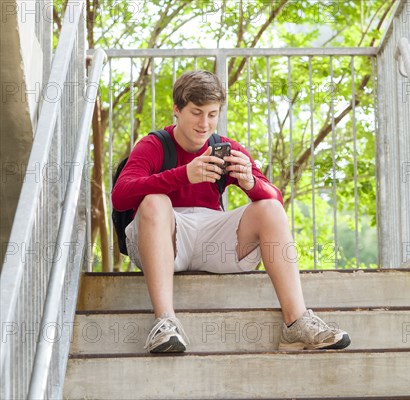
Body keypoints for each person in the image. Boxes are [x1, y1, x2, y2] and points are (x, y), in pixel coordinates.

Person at [112, 70, 350, 353]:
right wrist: (184, 174)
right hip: (165, 239)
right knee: (154, 201)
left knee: (270, 208)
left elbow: (275, 198)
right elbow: (120, 196)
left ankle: (296, 323)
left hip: (213, 239)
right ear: (177, 109)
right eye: (196, 113)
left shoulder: (225, 148)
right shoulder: (154, 145)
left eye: (212, 114)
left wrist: (250, 183)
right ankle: (166, 323)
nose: (204, 124)